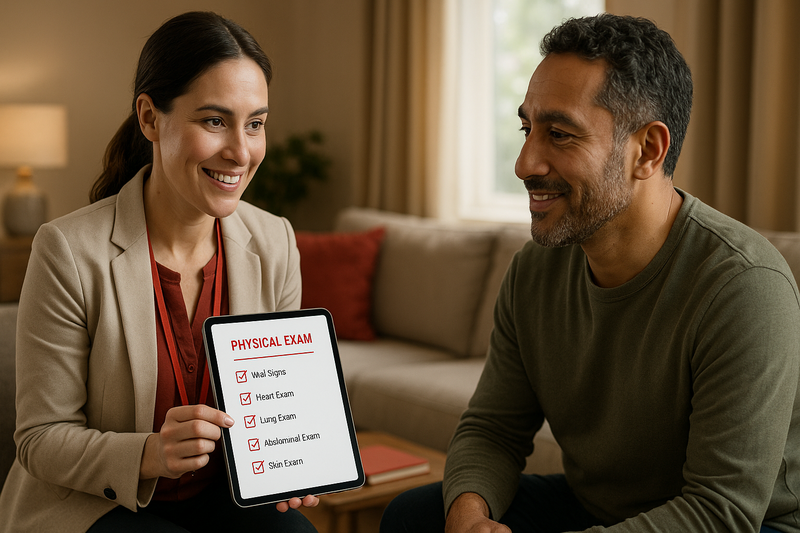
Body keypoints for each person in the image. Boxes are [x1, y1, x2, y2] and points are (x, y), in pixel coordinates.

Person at [380, 13, 800, 533]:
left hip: (749, 525)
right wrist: (468, 519)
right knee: (414, 518)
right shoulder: (535, 271)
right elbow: (493, 428)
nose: (524, 162)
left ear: (647, 150)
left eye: (559, 134)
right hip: (601, 512)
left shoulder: (745, 286)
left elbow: (722, 509)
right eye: (526, 128)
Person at [0, 11, 319, 533]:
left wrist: (295, 456)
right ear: (149, 118)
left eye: (255, 123)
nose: (241, 151)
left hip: (223, 494)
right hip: (94, 503)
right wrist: (150, 453)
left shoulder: (275, 241)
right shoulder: (66, 250)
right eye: (214, 121)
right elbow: (40, 439)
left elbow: (277, 401)